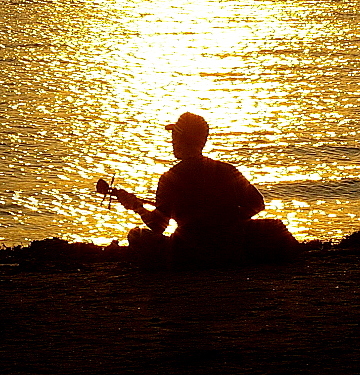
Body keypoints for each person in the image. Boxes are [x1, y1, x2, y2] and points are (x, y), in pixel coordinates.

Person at [113, 112, 298, 268]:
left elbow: (158, 226)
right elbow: (257, 204)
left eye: (174, 136)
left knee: (136, 236)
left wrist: (136, 207)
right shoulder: (227, 170)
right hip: (231, 246)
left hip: (189, 253)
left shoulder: (169, 178)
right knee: (273, 228)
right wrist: (229, 220)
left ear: (179, 139)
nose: (171, 142)